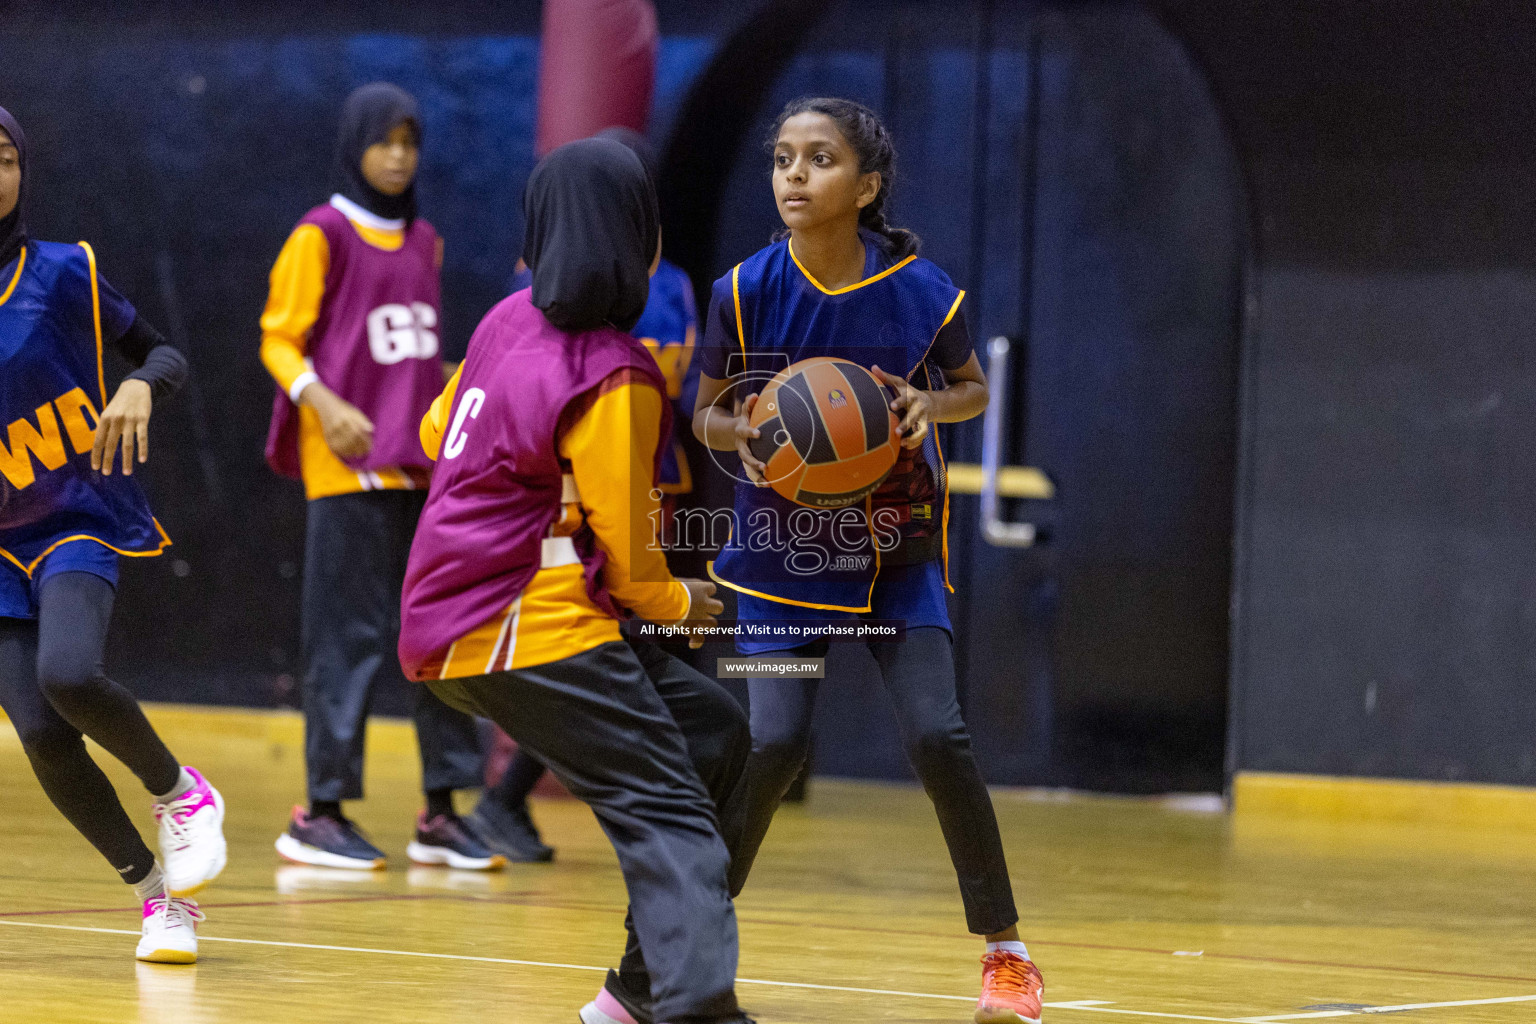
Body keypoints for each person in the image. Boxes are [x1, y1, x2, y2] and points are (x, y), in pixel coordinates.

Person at [693, 96, 1045, 1024]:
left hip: (895, 549)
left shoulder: (926, 293)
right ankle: (681, 936)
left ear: (868, 185)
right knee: (772, 740)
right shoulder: (743, 292)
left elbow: (970, 388)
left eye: (819, 159)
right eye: (781, 159)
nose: (794, 176)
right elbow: (707, 412)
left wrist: (934, 409)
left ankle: (1006, 952)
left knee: (938, 735)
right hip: (781, 555)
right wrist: (757, 432)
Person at [399, 137, 749, 1024]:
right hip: (523, 625)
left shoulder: (501, 322)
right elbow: (634, 562)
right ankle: (696, 1008)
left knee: (713, 735)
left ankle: (632, 996)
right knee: (669, 813)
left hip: (454, 621)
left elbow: (440, 435)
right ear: (640, 238)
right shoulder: (614, 373)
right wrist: (683, 606)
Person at [0, 105, 225, 963]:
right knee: (43, 733)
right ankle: (156, 898)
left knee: (68, 673)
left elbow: (162, 352)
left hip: (71, 518)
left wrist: (140, 389)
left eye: (8, 157)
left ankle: (180, 791)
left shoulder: (61, 274)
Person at [260, 83, 496, 872]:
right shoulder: (320, 233)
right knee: (346, 640)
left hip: (421, 469)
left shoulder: (425, 239)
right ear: (356, 144)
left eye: (409, 141)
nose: (398, 155)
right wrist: (320, 401)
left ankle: (441, 812)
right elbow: (279, 339)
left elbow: (415, 355)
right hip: (348, 468)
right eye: (383, 140)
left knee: (436, 637)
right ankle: (319, 812)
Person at [470, 127, 702, 866]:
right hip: (566, 510)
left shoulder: (677, 285)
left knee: (654, 652)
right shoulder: (533, 285)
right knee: (625, 652)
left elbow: (693, 389)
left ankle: (509, 805)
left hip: (657, 486)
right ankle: (504, 803)